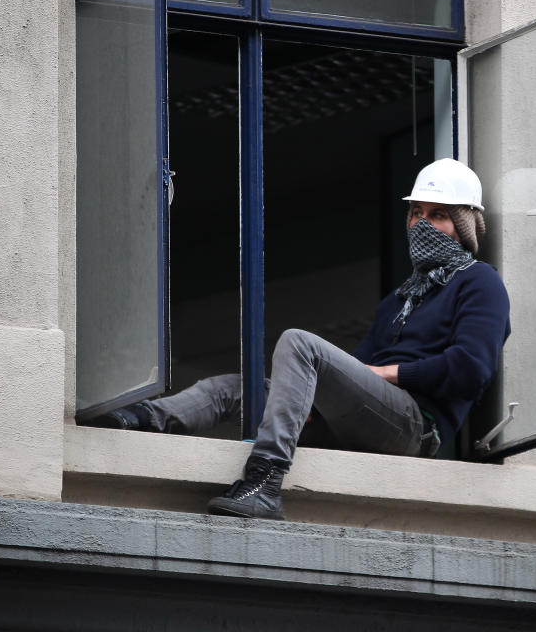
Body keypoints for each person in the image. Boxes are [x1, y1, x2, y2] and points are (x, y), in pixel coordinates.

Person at [94, 159, 511, 520]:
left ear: (463, 225)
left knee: (300, 343)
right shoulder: (400, 299)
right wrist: (319, 396)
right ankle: (141, 419)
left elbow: (470, 370)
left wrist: (386, 374)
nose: (423, 224)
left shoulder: (479, 283)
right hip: (366, 419)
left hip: (416, 427)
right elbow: (354, 371)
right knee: (232, 389)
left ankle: (265, 482)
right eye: (416, 214)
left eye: (438, 215)